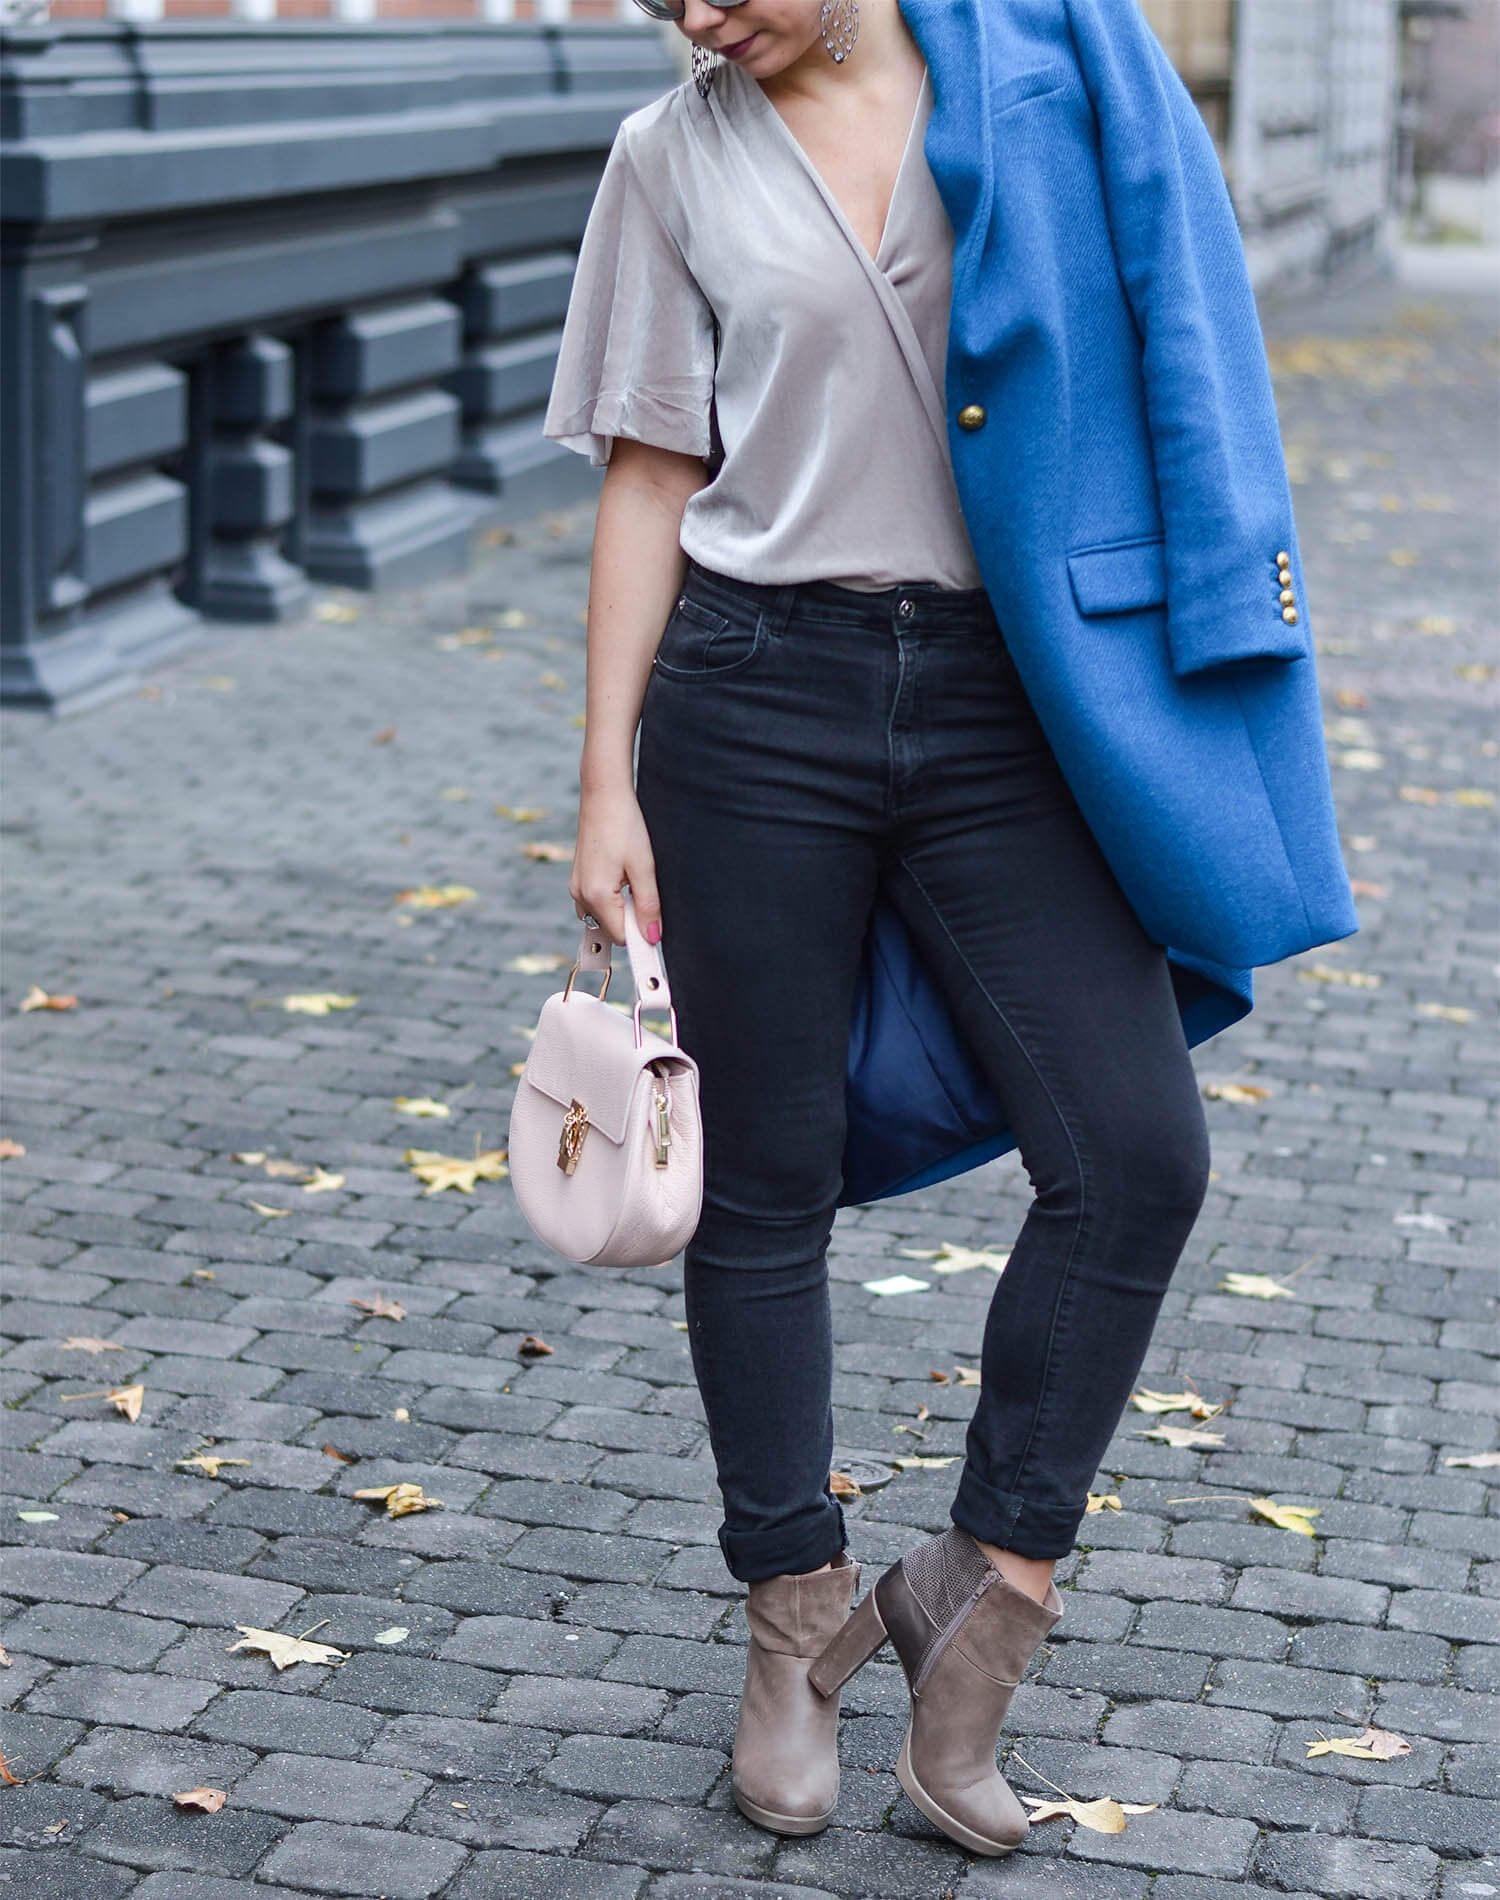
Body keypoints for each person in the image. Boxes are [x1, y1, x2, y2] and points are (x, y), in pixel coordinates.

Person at [541, 0, 1341, 1860]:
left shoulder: (1045, 82)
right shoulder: (673, 154)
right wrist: (603, 781)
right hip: (754, 696)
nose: (696, 16)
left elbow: (1172, 349)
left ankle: (983, 1598)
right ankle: (793, 1616)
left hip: (1014, 702)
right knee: (764, 1185)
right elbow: (652, 473)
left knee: (1134, 1155)